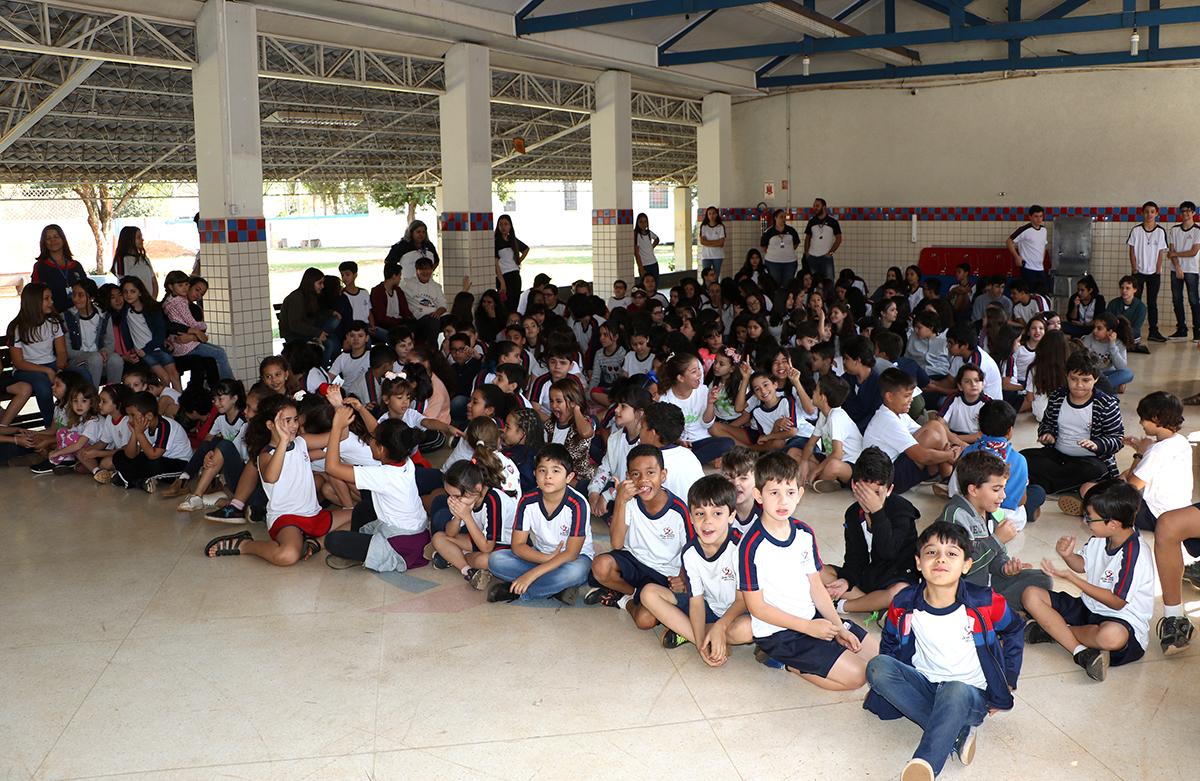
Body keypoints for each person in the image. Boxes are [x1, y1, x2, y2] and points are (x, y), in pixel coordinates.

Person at [864, 521, 1025, 781]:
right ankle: (958, 733)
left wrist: (1008, 679)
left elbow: (1015, 629)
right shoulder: (905, 603)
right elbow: (890, 642)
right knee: (877, 666)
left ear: (966, 565)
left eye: (951, 554)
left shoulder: (984, 601)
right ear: (918, 562)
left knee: (954, 688)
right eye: (931, 552)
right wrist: (896, 682)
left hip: (970, 694)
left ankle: (925, 762)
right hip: (925, 685)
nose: (940, 559)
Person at [740, 452, 878, 690]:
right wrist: (808, 628)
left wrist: (837, 627)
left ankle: (822, 644)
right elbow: (757, 608)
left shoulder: (804, 534)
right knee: (857, 677)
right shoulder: (751, 546)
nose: (783, 501)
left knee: (878, 658)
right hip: (780, 634)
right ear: (758, 495)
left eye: (790, 492)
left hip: (813, 617)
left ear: (800, 494)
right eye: (774, 493)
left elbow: (816, 587)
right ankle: (785, 663)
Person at [1022, 480, 1154, 681]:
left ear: (1112, 524)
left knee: (1110, 636)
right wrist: (1068, 556)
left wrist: (1073, 579)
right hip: (1088, 608)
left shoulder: (1135, 554)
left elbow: (1116, 602)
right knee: (1030, 595)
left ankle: (1054, 633)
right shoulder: (1101, 537)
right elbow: (1083, 564)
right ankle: (1081, 651)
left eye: (1090, 518)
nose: (1085, 522)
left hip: (1121, 620)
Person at [204, 395, 352, 565]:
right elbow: (271, 477)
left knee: (364, 516)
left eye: (295, 419)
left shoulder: (301, 442)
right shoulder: (265, 454)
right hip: (286, 519)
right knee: (287, 556)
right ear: (270, 425)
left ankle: (317, 543)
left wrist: (338, 407)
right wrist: (283, 441)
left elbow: (342, 435)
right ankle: (246, 545)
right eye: (286, 421)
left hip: (314, 514)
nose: (293, 425)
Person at [641, 474, 754, 656]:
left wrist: (721, 625)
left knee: (747, 629)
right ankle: (703, 640)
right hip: (709, 608)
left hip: (737, 613)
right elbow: (697, 601)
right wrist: (701, 646)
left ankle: (695, 631)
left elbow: (743, 600)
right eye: (700, 513)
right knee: (649, 593)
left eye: (717, 513)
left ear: (731, 516)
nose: (707, 521)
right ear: (691, 518)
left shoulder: (741, 548)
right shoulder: (690, 552)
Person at [585, 445, 692, 625]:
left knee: (644, 621)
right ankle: (632, 594)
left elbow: (691, 551)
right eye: (636, 474)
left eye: (651, 473)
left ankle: (624, 600)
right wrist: (620, 500)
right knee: (600, 566)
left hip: (663, 574)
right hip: (634, 560)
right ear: (628, 477)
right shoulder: (629, 502)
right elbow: (617, 544)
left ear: (663, 475)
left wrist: (682, 578)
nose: (643, 480)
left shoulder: (678, 511)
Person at [1059, 391, 1191, 530]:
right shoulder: (1180, 441)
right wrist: (1140, 447)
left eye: (1143, 418)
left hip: (1154, 516)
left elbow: (1131, 489)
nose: (1141, 423)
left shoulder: (1157, 451)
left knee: (1088, 488)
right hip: (1177, 511)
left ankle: (1094, 510)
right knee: (1122, 476)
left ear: (1156, 418)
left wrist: (1139, 454)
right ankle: (1092, 507)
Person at [937, 450, 1052, 608]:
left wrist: (1005, 568)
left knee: (1042, 578)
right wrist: (997, 539)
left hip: (986, 582)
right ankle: (993, 614)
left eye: (1003, 488)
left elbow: (996, 556)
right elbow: (960, 565)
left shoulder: (993, 512)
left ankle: (997, 611)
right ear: (973, 490)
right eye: (996, 490)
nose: (1003, 496)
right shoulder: (955, 515)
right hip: (962, 591)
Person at [486, 444, 594, 603]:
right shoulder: (527, 501)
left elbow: (571, 553)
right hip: (540, 555)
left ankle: (515, 591)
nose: (548, 476)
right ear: (534, 474)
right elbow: (518, 545)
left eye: (556, 471)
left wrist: (531, 575)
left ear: (569, 477)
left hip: (574, 559)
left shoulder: (578, 504)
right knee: (495, 560)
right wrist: (545, 559)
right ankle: (556, 588)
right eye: (542, 470)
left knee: (575, 572)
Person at [819, 447, 919, 615]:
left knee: (899, 592)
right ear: (853, 485)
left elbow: (889, 552)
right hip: (868, 577)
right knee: (817, 572)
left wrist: (877, 513)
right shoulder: (852, 514)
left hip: (896, 575)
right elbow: (854, 558)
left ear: (889, 490)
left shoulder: (902, 511)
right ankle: (872, 605)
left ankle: (845, 606)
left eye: (877, 493)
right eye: (864, 491)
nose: (869, 499)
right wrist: (846, 580)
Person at [1021, 352, 1123, 496]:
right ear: (1067, 377)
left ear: (1096, 379)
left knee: (1095, 471)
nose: (1079, 385)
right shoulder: (1057, 396)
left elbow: (1117, 439)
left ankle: (1044, 485)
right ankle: (1073, 488)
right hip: (1058, 456)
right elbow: (1046, 423)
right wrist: (1047, 434)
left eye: (1085, 380)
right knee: (1023, 458)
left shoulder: (1106, 404)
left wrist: (1097, 444)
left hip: (1090, 460)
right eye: (1074, 379)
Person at [947, 400, 1045, 531]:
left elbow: (956, 488)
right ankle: (1031, 511)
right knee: (1037, 492)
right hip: (1005, 520)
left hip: (970, 512)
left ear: (980, 428)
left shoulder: (968, 452)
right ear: (1010, 431)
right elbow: (1021, 501)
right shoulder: (1019, 460)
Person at [862, 369, 961, 495]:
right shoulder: (887, 420)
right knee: (934, 427)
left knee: (935, 426)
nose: (911, 400)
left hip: (895, 470)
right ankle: (948, 477)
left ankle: (946, 477)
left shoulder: (897, 414)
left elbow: (926, 431)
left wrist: (951, 448)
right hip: (889, 480)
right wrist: (950, 455)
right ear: (889, 396)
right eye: (906, 396)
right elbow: (921, 456)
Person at [105, 390, 193, 491]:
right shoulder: (142, 426)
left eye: (132, 415)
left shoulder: (165, 426)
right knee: (119, 456)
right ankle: (139, 480)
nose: (129, 420)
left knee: (152, 464)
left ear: (149, 416)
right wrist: (134, 433)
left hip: (179, 465)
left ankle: (129, 479)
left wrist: (139, 433)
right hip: (157, 459)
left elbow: (153, 455)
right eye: (128, 416)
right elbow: (131, 455)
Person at [6, 282, 67, 426]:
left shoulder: (53, 322)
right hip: (26, 369)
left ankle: (83, 423)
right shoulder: (17, 327)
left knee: (80, 374)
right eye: (47, 298)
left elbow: (62, 352)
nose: (51, 302)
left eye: (50, 298)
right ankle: (52, 428)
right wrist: (47, 370)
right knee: (42, 385)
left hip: (51, 364)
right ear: (34, 302)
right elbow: (18, 362)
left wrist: (59, 369)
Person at [660, 352, 734, 467]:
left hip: (702, 441)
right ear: (680, 378)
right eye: (694, 372)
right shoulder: (665, 398)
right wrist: (679, 441)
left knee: (728, 443)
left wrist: (710, 403)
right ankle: (699, 460)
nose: (700, 374)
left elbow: (707, 425)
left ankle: (688, 463)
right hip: (680, 443)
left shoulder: (703, 390)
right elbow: (667, 431)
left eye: (699, 369)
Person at [588, 384, 650, 519]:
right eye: (617, 405)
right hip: (617, 488)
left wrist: (606, 495)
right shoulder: (615, 438)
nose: (616, 410)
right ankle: (612, 514)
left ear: (639, 413)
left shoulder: (646, 443)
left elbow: (639, 484)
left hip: (636, 493)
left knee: (636, 502)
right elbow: (605, 468)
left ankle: (616, 516)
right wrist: (594, 493)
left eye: (623, 406)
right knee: (585, 487)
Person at [161, 271, 234, 381]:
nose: (198, 295)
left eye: (201, 294)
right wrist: (199, 328)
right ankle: (229, 384)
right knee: (219, 353)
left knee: (212, 359)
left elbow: (200, 332)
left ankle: (214, 389)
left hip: (189, 343)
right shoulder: (179, 303)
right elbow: (176, 326)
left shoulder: (193, 308)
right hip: (179, 347)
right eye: (197, 290)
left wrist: (192, 336)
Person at [798, 373, 863, 492]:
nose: (813, 392)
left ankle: (824, 479)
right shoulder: (823, 414)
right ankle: (826, 481)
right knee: (794, 453)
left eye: (816, 390)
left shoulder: (836, 416)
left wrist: (815, 470)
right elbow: (811, 444)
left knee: (833, 465)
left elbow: (838, 454)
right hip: (829, 458)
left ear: (823, 397)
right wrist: (804, 462)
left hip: (850, 465)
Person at [640, 401, 705, 503]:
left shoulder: (650, 462)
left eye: (642, 427)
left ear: (652, 434)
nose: (640, 432)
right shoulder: (688, 454)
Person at [1128, 201, 1169, 342]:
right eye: (1146, 211)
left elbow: (1160, 252)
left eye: (1152, 211)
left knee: (1152, 303)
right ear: (1142, 213)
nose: (1149, 214)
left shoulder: (1160, 231)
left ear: (1157, 213)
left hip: (1154, 274)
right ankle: (1134, 332)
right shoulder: (1136, 230)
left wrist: (1158, 269)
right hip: (1138, 273)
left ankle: (1153, 331)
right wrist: (1134, 268)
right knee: (1136, 302)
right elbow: (1132, 250)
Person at [30, 224, 86, 313]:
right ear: (44, 242)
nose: (53, 240)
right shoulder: (40, 267)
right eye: (48, 238)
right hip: (53, 317)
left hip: (78, 316)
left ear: (63, 239)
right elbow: (36, 295)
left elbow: (86, 290)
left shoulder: (76, 266)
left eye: (56, 236)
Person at [1167, 199, 1200, 341]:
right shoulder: (1174, 230)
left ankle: (1197, 332)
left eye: (1188, 210)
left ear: (1193, 213)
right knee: (1176, 299)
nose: (1185, 213)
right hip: (1176, 270)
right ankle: (1181, 329)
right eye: (1183, 211)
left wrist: (1175, 254)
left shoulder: (1198, 231)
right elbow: (1171, 250)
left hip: (1192, 270)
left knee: (1194, 300)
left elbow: (1193, 252)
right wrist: (1178, 267)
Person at [1080, 311, 1133, 392]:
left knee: (1128, 373)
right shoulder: (1088, 339)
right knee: (1111, 391)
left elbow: (1122, 367)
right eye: (1094, 327)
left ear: (1110, 331)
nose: (1094, 331)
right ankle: (1108, 387)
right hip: (1091, 374)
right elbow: (1081, 362)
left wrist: (1112, 345)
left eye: (1099, 328)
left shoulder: (1118, 342)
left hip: (1107, 374)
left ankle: (1097, 389)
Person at [1006, 205, 1048, 293]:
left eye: (1041, 216)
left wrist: (1042, 259)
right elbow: (1009, 241)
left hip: (1040, 268)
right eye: (1036, 216)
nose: (1039, 219)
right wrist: (1017, 257)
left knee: (1042, 293)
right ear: (1030, 217)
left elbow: (1043, 245)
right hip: (1028, 267)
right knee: (1029, 293)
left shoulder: (1044, 230)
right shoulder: (1024, 229)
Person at [493, 213, 529, 312]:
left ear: (510, 226)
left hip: (515, 275)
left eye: (506, 224)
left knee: (514, 302)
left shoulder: (512, 240)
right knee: (505, 304)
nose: (503, 227)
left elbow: (526, 249)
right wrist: (502, 282)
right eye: (501, 224)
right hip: (503, 276)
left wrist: (518, 261)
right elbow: (496, 264)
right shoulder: (496, 241)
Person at [110, 226, 157, 299]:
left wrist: (153, 299)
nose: (142, 240)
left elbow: (154, 282)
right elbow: (123, 284)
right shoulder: (121, 261)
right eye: (138, 237)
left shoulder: (144, 259)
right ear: (129, 240)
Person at [1107, 275, 1150, 354]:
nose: (1124, 291)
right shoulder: (1113, 303)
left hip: (1130, 335)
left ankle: (1125, 346)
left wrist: (1120, 333)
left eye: (1127, 288)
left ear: (1135, 290)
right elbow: (1107, 322)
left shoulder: (1141, 307)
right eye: (1122, 288)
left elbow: (1136, 328)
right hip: (1113, 333)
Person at [760, 209, 801, 288]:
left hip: (789, 263)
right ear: (775, 218)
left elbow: (796, 243)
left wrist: (786, 252)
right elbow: (764, 246)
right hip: (773, 263)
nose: (783, 219)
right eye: (781, 217)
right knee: (774, 285)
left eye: (785, 217)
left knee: (788, 285)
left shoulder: (791, 230)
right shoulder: (769, 232)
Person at [803, 197, 841, 282]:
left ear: (824, 207)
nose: (815, 208)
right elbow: (807, 238)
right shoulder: (812, 221)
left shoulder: (833, 222)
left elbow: (839, 239)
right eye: (814, 206)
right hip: (812, 257)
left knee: (829, 281)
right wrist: (806, 254)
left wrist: (830, 253)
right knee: (813, 282)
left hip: (826, 258)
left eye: (817, 205)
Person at [698, 206, 726, 277]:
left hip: (718, 256)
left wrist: (708, 242)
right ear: (707, 215)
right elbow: (702, 242)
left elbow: (721, 243)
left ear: (716, 214)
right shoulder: (704, 227)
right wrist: (716, 242)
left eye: (713, 213)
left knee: (715, 276)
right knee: (706, 276)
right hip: (706, 256)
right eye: (709, 214)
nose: (711, 215)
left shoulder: (720, 227)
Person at [633, 212, 660, 277]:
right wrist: (641, 268)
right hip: (644, 265)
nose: (643, 224)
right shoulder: (636, 234)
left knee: (654, 284)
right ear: (637, 223)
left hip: (654, 263)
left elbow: (657, 239)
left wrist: (652, 247)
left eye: (645, 221)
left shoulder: (649, 233)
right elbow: (636, 253)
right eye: (641, 222)